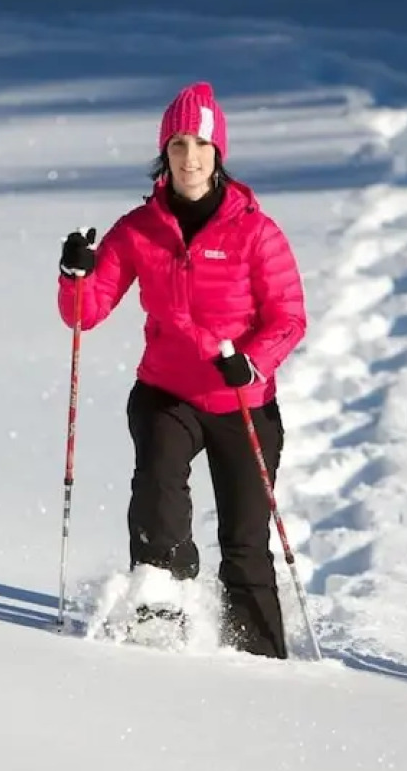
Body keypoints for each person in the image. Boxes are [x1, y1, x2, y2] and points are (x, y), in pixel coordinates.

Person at [56, 81, 307, 658]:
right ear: (163, 155)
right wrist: (75, 275)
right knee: (158, 489)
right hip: (167, 392)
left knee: (245, 541)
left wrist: (253, 363)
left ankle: (260, 654)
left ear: (218, 154)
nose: (189, 157)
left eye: (200, 144)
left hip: (241, 399)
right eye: (177, 145)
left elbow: (289, 318)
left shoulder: (255, 231)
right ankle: (159, 603)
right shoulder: (139, 229)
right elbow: (85, 314)